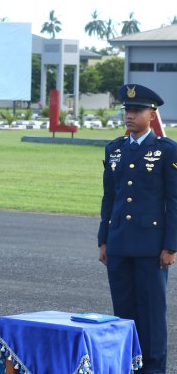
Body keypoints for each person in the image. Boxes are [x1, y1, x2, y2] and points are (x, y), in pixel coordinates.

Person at [98, 83, 177, 373]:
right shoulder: (115, 149)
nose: (129, 115)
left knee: (152, 315)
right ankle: (126, 366)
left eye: (136, 110)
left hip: (151, 248)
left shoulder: (167, 151)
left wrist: (171, 246)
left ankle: (153, 370)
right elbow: (110, 198)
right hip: (118, 244)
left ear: (152, 114)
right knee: (124, 314)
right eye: (126, 110)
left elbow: (174, 200)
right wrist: (103, 240)